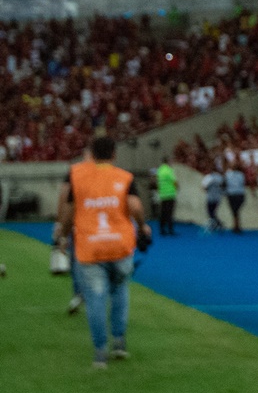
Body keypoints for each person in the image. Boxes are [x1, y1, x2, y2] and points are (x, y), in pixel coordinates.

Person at [55, 136, 151, 368]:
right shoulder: (124, 177)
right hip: (119, 246)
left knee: (95, 299)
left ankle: (100, 352)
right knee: (119, 291)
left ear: (92, 155)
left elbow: (71, 211)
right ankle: (119, 341)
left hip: (90, 247)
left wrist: (63, 235)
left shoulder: (79, 177)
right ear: (114, 155)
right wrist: (142, 225)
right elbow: (135, 206)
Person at [156, 156, 178, 236]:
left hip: (162, 194)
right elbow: (174, 181)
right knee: (170, 213)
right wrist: (177, 187)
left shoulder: (160, 170)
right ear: (167, 161)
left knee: (163, 212)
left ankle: (162, 229)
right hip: (170, 194)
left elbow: (158, 182)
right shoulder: (169, 170)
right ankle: (170, 229)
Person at [201, 162, 225, 233]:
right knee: (214, 211)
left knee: (210, 212)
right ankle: (216, 224)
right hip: (218, 197)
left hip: (210, 197)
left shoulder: (208, 177)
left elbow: (204, 187)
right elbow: (223, 186)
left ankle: (217, 224)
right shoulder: (220, 177)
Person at [224, 163, 247, 234]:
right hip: (239, 194)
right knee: (236, 211)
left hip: (232, 194)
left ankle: (236, 225)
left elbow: (225, 183)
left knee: (234, 211)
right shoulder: (241, 175)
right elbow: (243, 183)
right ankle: (236, 225)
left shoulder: (228, 174)